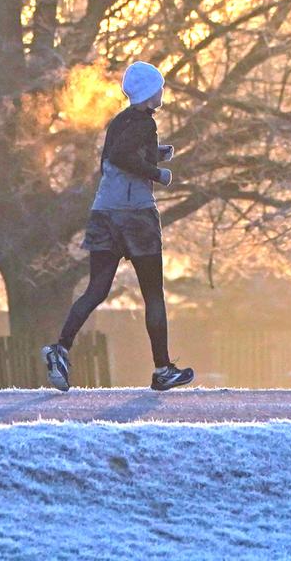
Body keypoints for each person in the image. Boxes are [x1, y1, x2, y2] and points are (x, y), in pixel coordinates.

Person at [41, 61, 194, 392]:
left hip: (105, 213)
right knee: (153, 295)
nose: (162, 92)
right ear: (149, 93)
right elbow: (126, 157)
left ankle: (60, 349)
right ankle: (162, 369)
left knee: (96, 289)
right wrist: (158, 174)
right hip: (136, 216)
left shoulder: (120, 122)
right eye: (159, 87)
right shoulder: (144, 123)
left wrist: (156, 154)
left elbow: (117, 154)